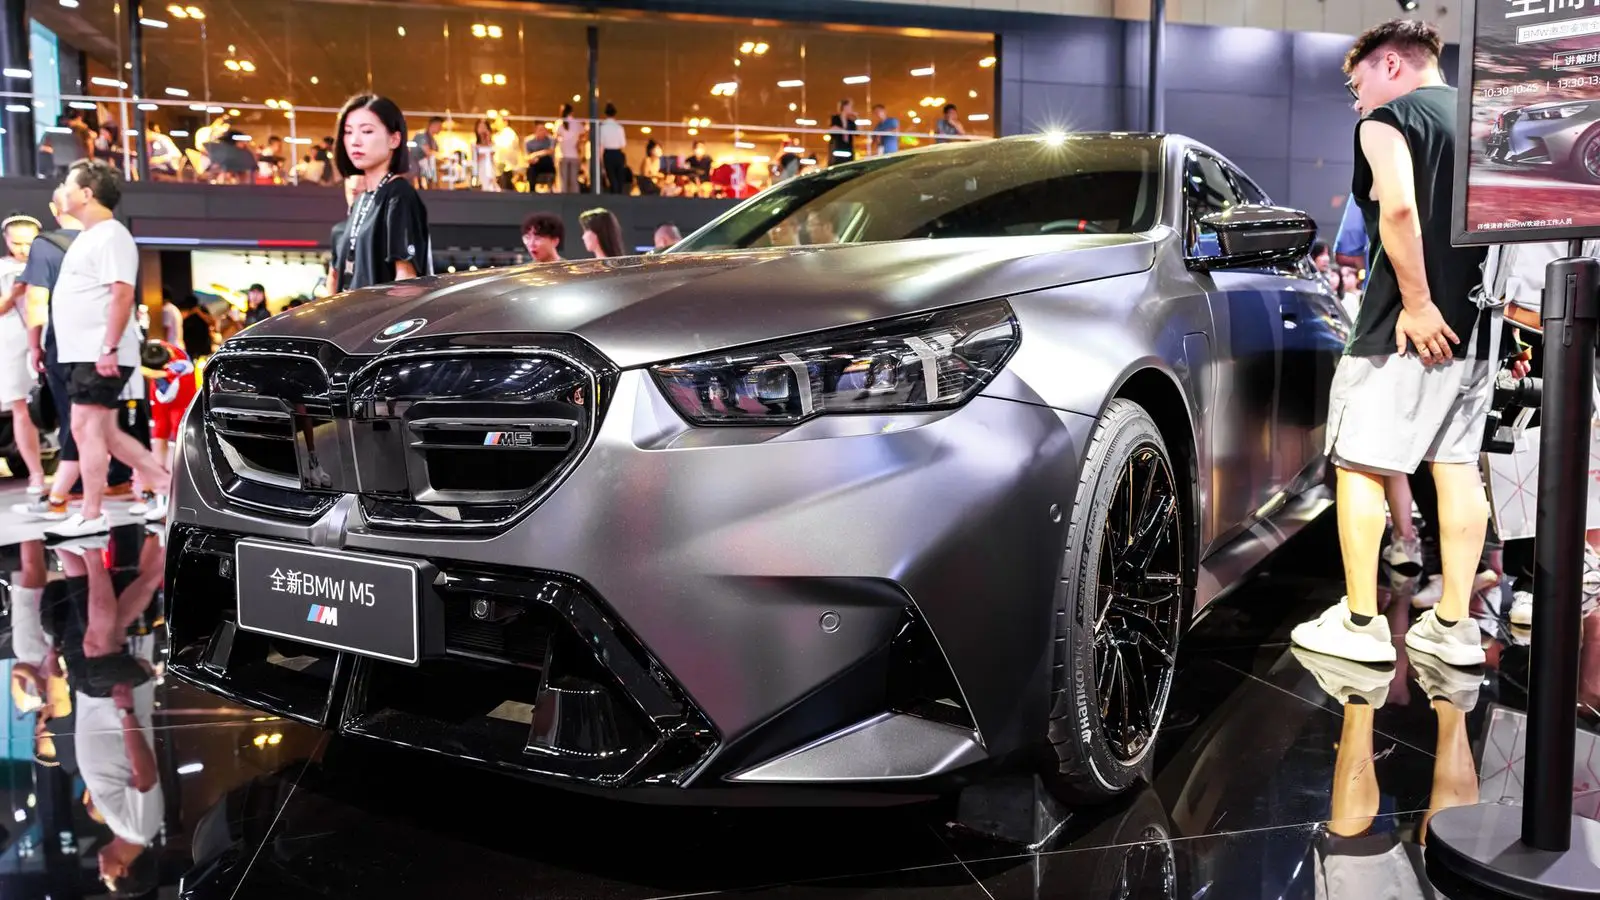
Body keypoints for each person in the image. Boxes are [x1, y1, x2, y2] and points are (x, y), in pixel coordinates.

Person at [1291, 19, 1493, 669]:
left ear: (1391, 64)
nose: (1358, 102)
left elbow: (1399, 210)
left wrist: (1417, 303)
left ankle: (1360, 623)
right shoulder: (1487, 121)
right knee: (1456, 467)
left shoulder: (1390, 120)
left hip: (1402, 326)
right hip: (1479, 326)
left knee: (1359, 463)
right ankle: (1454, 627)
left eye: (1358, 85)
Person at [40, 160, 170, 540]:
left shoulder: (112, 235)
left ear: (86, 193)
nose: (62, 191)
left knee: (85, 429)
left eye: (67, 185)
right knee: (107, 433)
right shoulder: (90, 236)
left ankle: (92, 514)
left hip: (99, 352)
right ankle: (168, 488)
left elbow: (122, 294)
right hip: (86, 352)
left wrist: (109, 347)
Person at [329, 94, 431, 294]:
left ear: (394, 139)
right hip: (351, 311)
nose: (355, 141)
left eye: (367, 131)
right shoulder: (363, 199)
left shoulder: (399, 195)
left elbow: (406, 281)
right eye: (348, 132)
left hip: (379, 313)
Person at [0, 212, 44, 495]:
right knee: (22, 410)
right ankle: (35, 474)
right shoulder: (2, 269)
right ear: (6, 240)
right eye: (17, 243)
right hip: (14, 342)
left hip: (49, 338)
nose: (23, 249)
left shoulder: (48, 264)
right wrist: (15, 293)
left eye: (29, 243)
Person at [140, 338, 196, 464]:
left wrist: (137, 367)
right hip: (160, 398)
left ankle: (185, 465)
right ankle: (159, 466)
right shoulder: (151, 349)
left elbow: (156, 374)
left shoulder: (183, 364)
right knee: (160, 429)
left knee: (180, 432)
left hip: (181, 399)